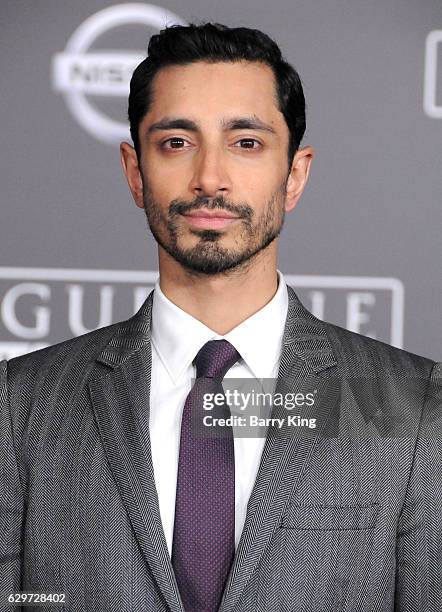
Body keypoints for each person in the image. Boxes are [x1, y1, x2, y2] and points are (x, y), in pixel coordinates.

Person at [1, 22, 441, 612]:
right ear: (135, 171)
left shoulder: (416, 410)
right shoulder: (20, 405)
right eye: (176, 143)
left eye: (247, 143)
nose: (210, 178)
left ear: (296, 175)